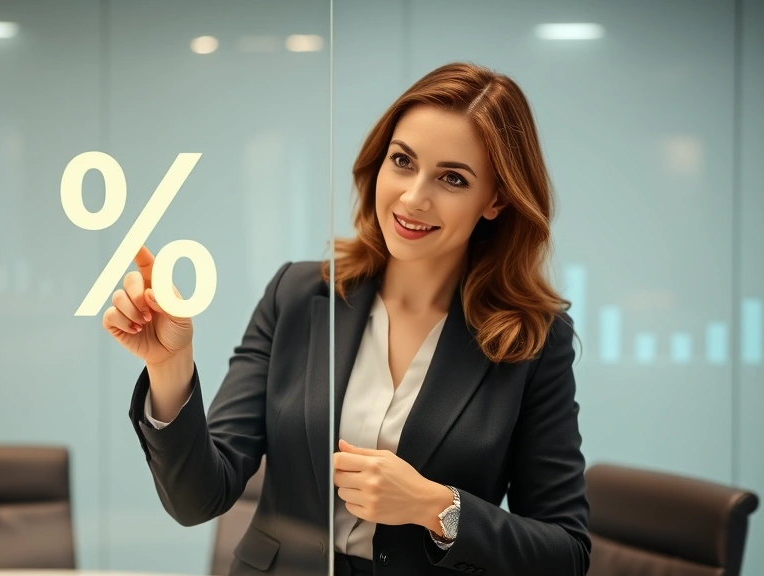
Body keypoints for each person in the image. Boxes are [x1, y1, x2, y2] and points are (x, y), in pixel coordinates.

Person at [104, 61, 591, 576]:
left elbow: (566, 552)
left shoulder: (534, 342)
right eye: (403, 161)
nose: (413, 197)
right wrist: (170, 364)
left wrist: (436, 506)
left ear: (495, 199)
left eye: (452, 178)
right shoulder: (297, 295)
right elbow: (197, 499)